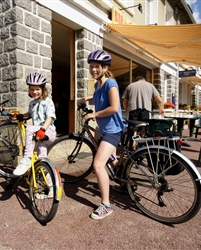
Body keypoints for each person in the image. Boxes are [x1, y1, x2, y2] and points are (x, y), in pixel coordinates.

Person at [77, 50, 126, 220]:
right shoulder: (98, 85)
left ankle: (106, 204)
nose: (93, 69)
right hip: (106, 130)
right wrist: (85, 99)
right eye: (91, 67)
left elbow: (114, 107)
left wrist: (94, 115)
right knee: (112, 162)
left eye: (96, 66)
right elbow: (98, 95)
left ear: (104, 67)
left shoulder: (110, 83)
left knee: (98, 165)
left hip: (113, 130)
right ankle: (125, 180)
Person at [13, 72, 57, 177]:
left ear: (42, 89)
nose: (34, 92)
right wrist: (21, 116)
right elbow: (30, 114)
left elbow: (50, 117)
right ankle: (50, 185)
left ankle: (27, 159)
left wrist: (42, 129)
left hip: (48, 131)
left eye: (37, 89)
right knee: (42, 157)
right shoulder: (32, 103)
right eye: (32, 89)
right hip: (38, 135)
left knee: (29, 129)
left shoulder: (48, 101)